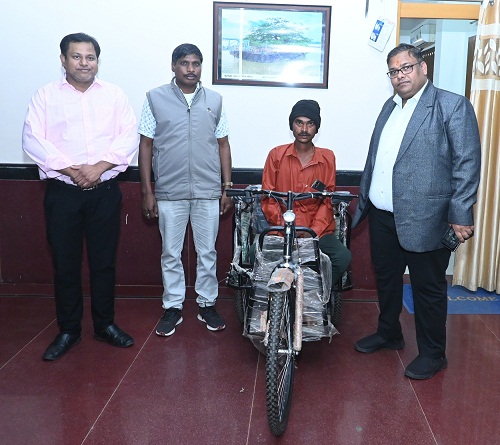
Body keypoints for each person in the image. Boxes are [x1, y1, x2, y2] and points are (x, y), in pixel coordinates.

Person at [352, 43, 481, 379]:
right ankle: (389, 333)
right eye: (394, 71)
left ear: (423, 68)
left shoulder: (451, 106)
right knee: (387, 279)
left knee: (427, 288)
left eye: (406, 67)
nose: (400, 76)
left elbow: (467, 163)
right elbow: (378, 158)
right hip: (383, 216)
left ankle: (434, 354)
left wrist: (460, 213)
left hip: (427, 218)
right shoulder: (389, 107)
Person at [22, 33, 139, 361]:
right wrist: (73, 171)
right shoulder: (45, 96)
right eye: (76, 56)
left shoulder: (114, 95)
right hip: (63, 195)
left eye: (90, 57)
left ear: (97, 61)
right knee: (65, 264)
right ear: (63, 60)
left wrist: (99, 168)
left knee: (104, 263)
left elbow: (128, 136)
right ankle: (69, 330)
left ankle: (105, 325)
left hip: (104, 193)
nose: (84, 63)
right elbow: (33, 138)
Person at [138, 43, 232, 336]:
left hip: (207, 191)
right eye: (184, 63)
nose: (191, 69)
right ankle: (173, 307)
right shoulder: (155, 98)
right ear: (173, 66)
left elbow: (223, 145)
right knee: (170, 253)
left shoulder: (215, 100)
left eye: (196, 63)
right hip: (169, 191)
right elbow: (146, 145)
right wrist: (147, 191)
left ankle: (207, 304)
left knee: (207, 252)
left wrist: (226, 187)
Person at [261, 99, 351, 287]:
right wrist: (285, 228)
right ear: (291, 125)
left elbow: (327, 201)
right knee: (255, 253)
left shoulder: (327, 158)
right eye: (299, 123)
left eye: (310, 123)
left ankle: (312, 292)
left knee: (342, 257)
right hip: (281, 230)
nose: (304, 129)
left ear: (317, 128)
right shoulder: (276, 155)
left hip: (317, 232)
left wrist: (312, 233)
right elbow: (268, 198)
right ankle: (274, 298)